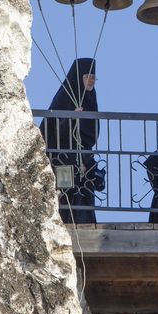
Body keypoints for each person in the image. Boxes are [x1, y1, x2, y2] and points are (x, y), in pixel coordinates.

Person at [40, 58, 102, 224]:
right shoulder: (65, 96)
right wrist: (71, 118)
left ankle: (84, 221)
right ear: (78, 77)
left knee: (84, 192)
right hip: (63, 157)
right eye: (87, 76)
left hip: (83, 157)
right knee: (66, 192)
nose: (91, 80)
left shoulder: (90, 98)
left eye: (93, 77)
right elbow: (53, 129)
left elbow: (93, 134)